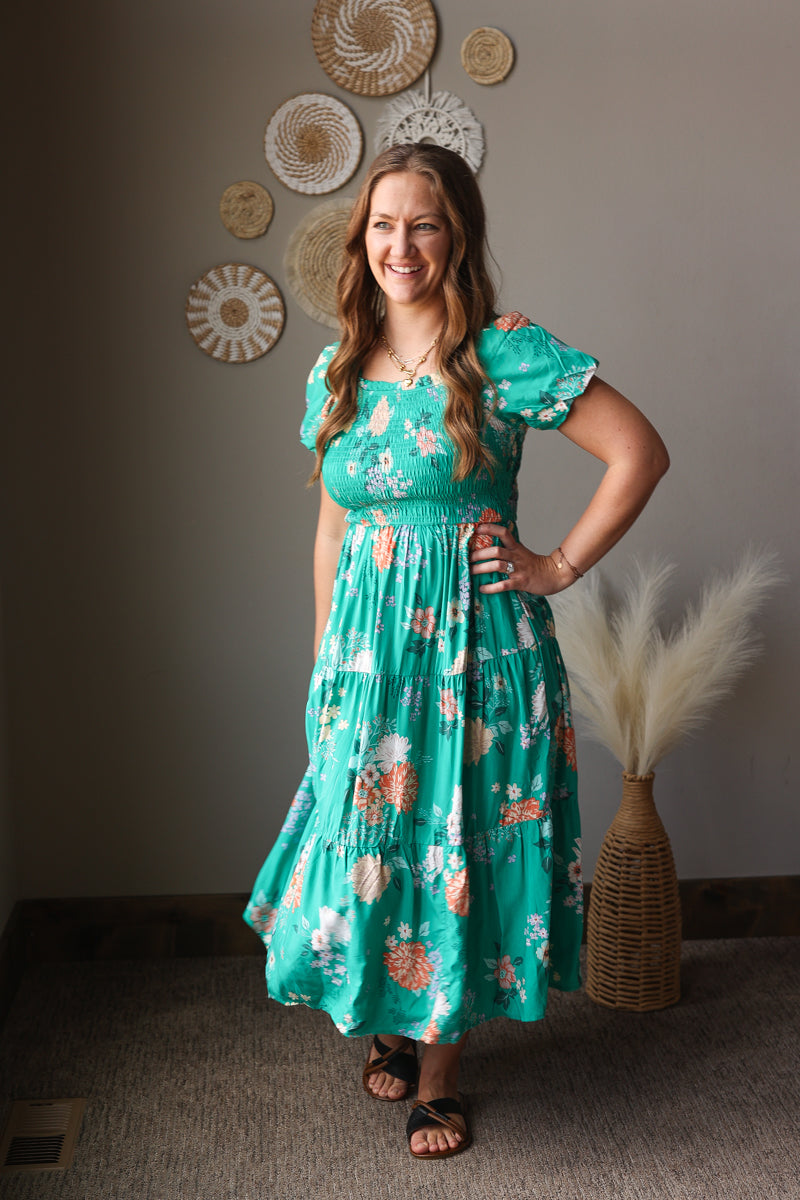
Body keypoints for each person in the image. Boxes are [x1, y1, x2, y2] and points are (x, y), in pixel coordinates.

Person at [244, 142, 669, 1158]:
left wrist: (554, 566)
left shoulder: (502, 354)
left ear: (458, 238)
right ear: (361, 239)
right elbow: (333, 531)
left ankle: (438, 1072)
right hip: (369, 659)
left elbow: (638, 452)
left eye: (424, 224)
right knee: (376, 841)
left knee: (458, 843)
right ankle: (394, 1015)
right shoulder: (334, 370)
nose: (401, 246)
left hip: (480, 659)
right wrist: (326, 661)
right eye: (383, 225)